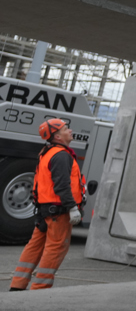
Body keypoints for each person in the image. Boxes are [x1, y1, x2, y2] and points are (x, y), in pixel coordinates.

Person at [9, 118, 85, 291]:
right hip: (59, 211)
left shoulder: (47, 153)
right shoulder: (61, 155)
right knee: (56, 248)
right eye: (66, 128)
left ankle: (17, 286)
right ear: (57, 136)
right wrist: (72, 208)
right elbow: (61, 185)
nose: (70, 131)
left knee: (34, 246)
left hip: (45, 209)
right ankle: (39, 290)